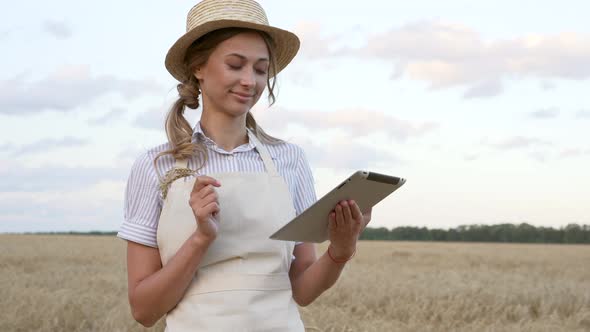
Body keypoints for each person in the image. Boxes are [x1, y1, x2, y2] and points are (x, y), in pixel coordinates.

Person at [117, 0, 372, 330]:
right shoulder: (155, 167)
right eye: (235, 65)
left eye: (260, 69)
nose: (250, 81)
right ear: (198, 67)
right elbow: (144, 310)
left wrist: (340, 250)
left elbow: (303, 290)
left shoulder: (289, 160)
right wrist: (200, 240)